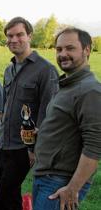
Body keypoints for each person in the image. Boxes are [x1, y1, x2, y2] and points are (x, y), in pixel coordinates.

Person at [0, 17, 59, 210]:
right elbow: (6, 108)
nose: (14, 39)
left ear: (29, 36)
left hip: (24, 147)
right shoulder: (9, 69)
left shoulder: (45, 70)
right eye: (10, 36)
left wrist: (34, 149)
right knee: (7, 196)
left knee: (3, 197)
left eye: (19, 34)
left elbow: (49, 113)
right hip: (4, 144)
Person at [33, 27, 101, 210]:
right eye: (59, 49)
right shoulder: (68, 85)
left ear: (87, 50)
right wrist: (44, 133)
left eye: (70, 48)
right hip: (47, 176)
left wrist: (73, 188)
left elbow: (95, 144)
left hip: (60, 182)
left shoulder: (90, 90)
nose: (63, 54)